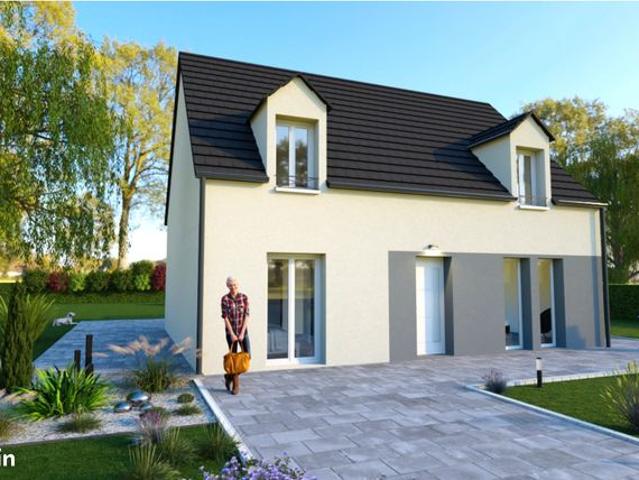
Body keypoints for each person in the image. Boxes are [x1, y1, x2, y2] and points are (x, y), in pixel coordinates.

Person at [220, 276, 251, 395]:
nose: (233, 287)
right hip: (231, 334)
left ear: (238, 285)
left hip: (243, 332)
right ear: (227, 286)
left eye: (235, 285)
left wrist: (242, 333)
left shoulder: (244, 297)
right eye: (230, 285)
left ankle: (228, 376)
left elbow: (247, 315)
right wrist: (232, 334)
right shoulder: (225, 299)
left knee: (247, 356)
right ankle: (236, 385)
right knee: (233, 359)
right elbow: (225, 318)